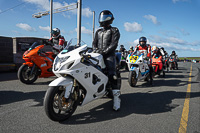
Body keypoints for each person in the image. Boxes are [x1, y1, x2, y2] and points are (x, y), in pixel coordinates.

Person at [92, 10, 121, 111]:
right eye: (102, 18)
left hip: (109, 55)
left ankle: (117, 99)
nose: (102, 20)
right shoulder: (98, 31)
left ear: (110, 19)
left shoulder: (114, 30)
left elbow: (114, 44)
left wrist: (104, 52)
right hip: (98, 54)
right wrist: (95, 50)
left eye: (105, 18)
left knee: (112, 75)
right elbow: (94, 43)